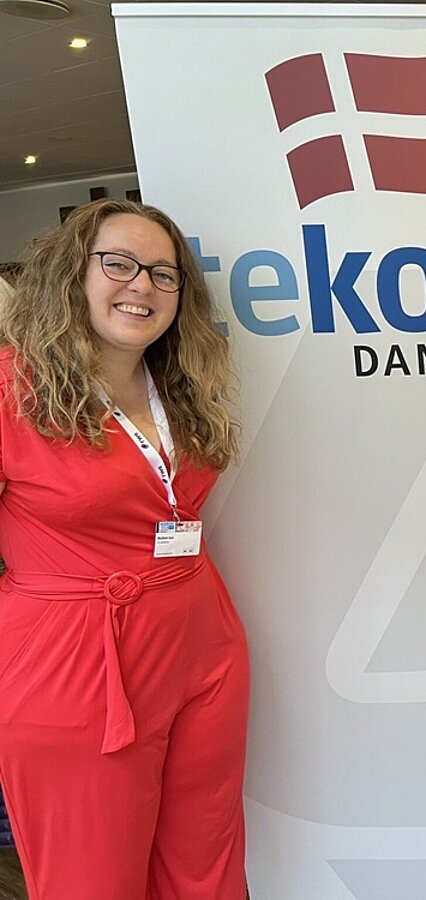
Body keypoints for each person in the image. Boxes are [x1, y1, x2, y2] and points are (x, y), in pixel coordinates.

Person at [0, 199, 249, 899]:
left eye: (164, 275)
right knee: (93, 879)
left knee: (206, 865)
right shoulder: (11, 390)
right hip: (75, 663)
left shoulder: (178, 382)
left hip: (201, 644)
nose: (141, 285)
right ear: (68, 276)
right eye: (119, 264)